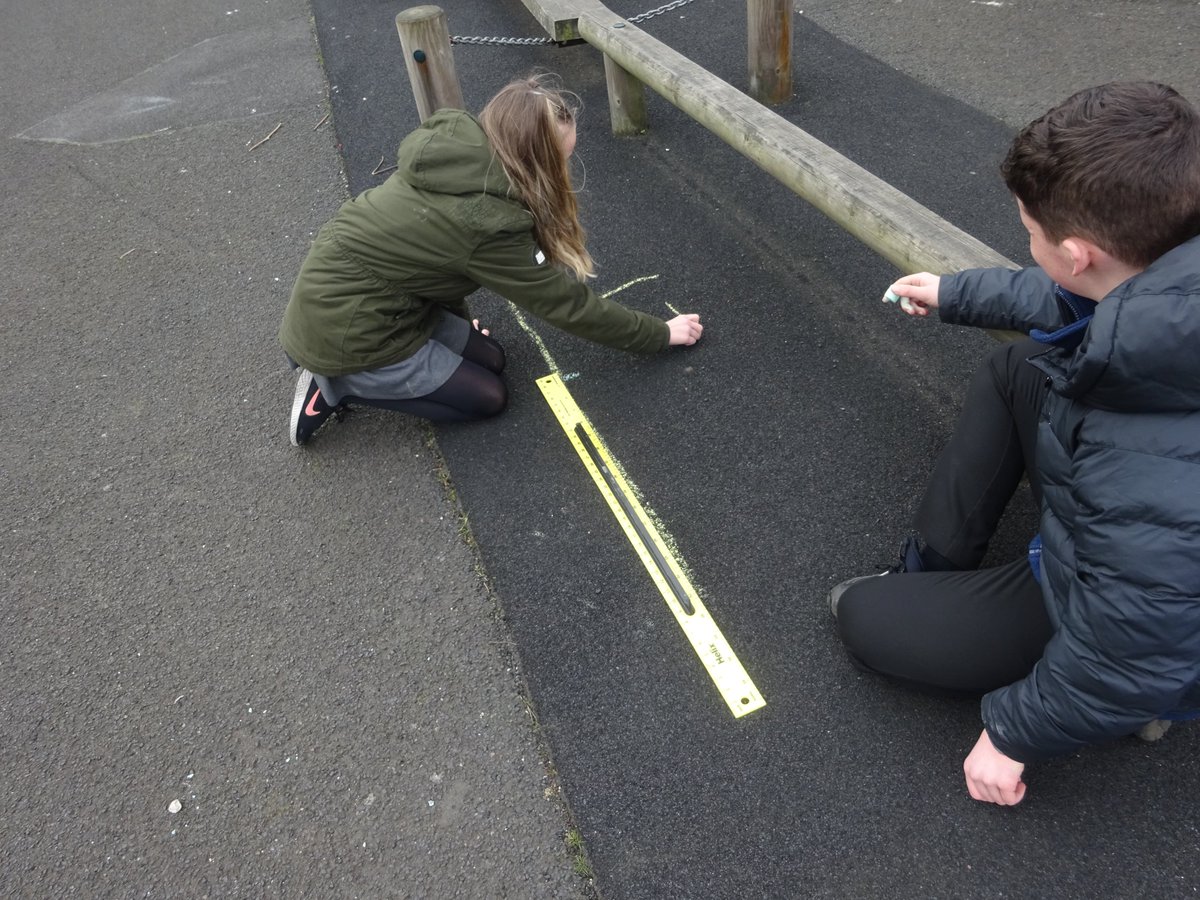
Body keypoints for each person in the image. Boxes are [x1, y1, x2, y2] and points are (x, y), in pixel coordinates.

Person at [829, 81, 1200, 806]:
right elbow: (1073, 299)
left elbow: (1135, 653)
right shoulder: (1165, 265)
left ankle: (919, 599)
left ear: (1078, 252)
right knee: (1018, 365)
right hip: (1129, 550)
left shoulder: (1149, 465)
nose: (1026, 242)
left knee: (859, 617)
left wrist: (1013, 733)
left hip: (1132, 618)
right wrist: (958, 294)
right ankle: (932, 566)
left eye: (1029, 232)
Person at [279, 73, 703, 445]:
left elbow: (430, 258)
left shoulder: (462, 154)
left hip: (376, 298)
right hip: (346, 331)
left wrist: (458, 321)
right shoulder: (487, 221)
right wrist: (658, 334)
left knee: (494, 358)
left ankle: (371, 363)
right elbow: (565, 305)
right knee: (487, 398)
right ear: (533, 159)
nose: (566, 172)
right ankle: (334, 386)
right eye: (561, 160)